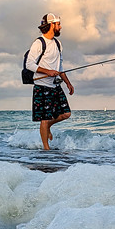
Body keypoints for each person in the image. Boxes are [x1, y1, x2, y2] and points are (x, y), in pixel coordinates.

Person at [25, 13, 74, 150]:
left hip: (55, 85)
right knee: (44, 119)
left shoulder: (58, 44)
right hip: (42, 86)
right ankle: (46, 149)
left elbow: (60, 67)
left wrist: (68, 83)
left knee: (66, 114)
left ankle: (49, 126)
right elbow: (29, 64)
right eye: (58, 24)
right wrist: (48, 72)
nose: (60, 27)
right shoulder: (38, 43)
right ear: (51, 25)